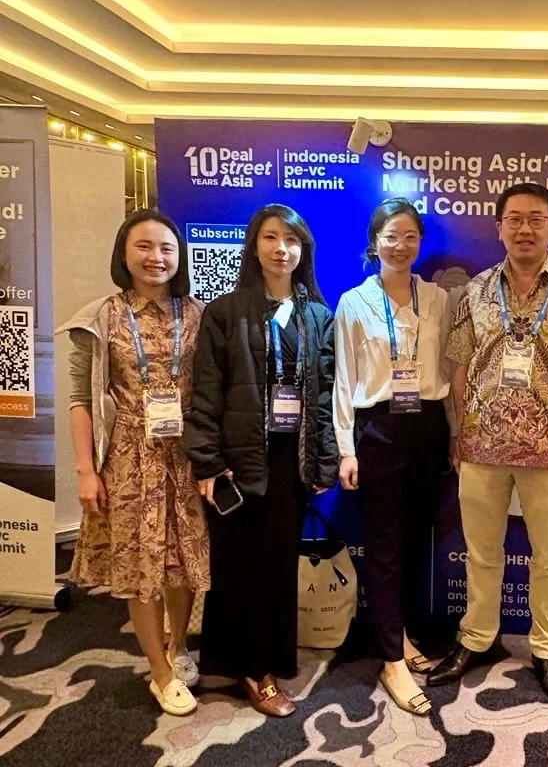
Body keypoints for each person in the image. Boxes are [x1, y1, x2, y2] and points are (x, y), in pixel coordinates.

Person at [427, 183, 548, 704]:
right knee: (481, 553)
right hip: (480, 449)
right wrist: (458, 434)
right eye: (514, 219)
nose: (524, 229)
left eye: (536, 219)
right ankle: (475, 639)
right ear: (499, 228)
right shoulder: (476, 291)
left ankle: (547, 650)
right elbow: (459, 368)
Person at [183, 204, 338, 717]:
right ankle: (245, 667)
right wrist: (206, 463)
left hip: (290, 461)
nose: (280, 249)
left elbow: (324, 397)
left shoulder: (317, 316)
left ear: (303, 250)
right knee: (235, 567)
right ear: (253, 246)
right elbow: (205, 393)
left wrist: (322, 463)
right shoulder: (225, 312)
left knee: (274, 569)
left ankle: (264, 662)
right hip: (235, 462)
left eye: (291, 240)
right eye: (270, 238)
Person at [57, 209, 209, 716]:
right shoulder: (98, 318)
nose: (156, 257)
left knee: (182, 562)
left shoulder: (199, 314)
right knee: (142, 564)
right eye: (144, 246)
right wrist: (85, 470)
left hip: (186, 455)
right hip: (127, 456)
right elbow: (80, 399)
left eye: (166, 248)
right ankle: (160, 673)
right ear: (124, 254)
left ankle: (178, 646)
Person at [333, 197, 455, 716]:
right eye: (391, 236)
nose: (401, 245)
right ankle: (391, 660)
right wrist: (345, 449)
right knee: (383, 544)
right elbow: (343, 381)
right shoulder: (354, 302)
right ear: (374, 242)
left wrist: (455, 435)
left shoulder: (439, 299)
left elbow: (449, 371)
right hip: (378, 429)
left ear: (420, 242)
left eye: (410, 236)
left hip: (428, 426)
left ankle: (400, 634)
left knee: (416, 541)